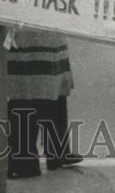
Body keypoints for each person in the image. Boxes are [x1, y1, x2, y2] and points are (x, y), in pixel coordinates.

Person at [6, 28, 83, 179]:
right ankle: (34, 160)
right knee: (37, 93)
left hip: (39, 36)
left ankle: (47, 155)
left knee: (42, 94)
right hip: (34, 38)